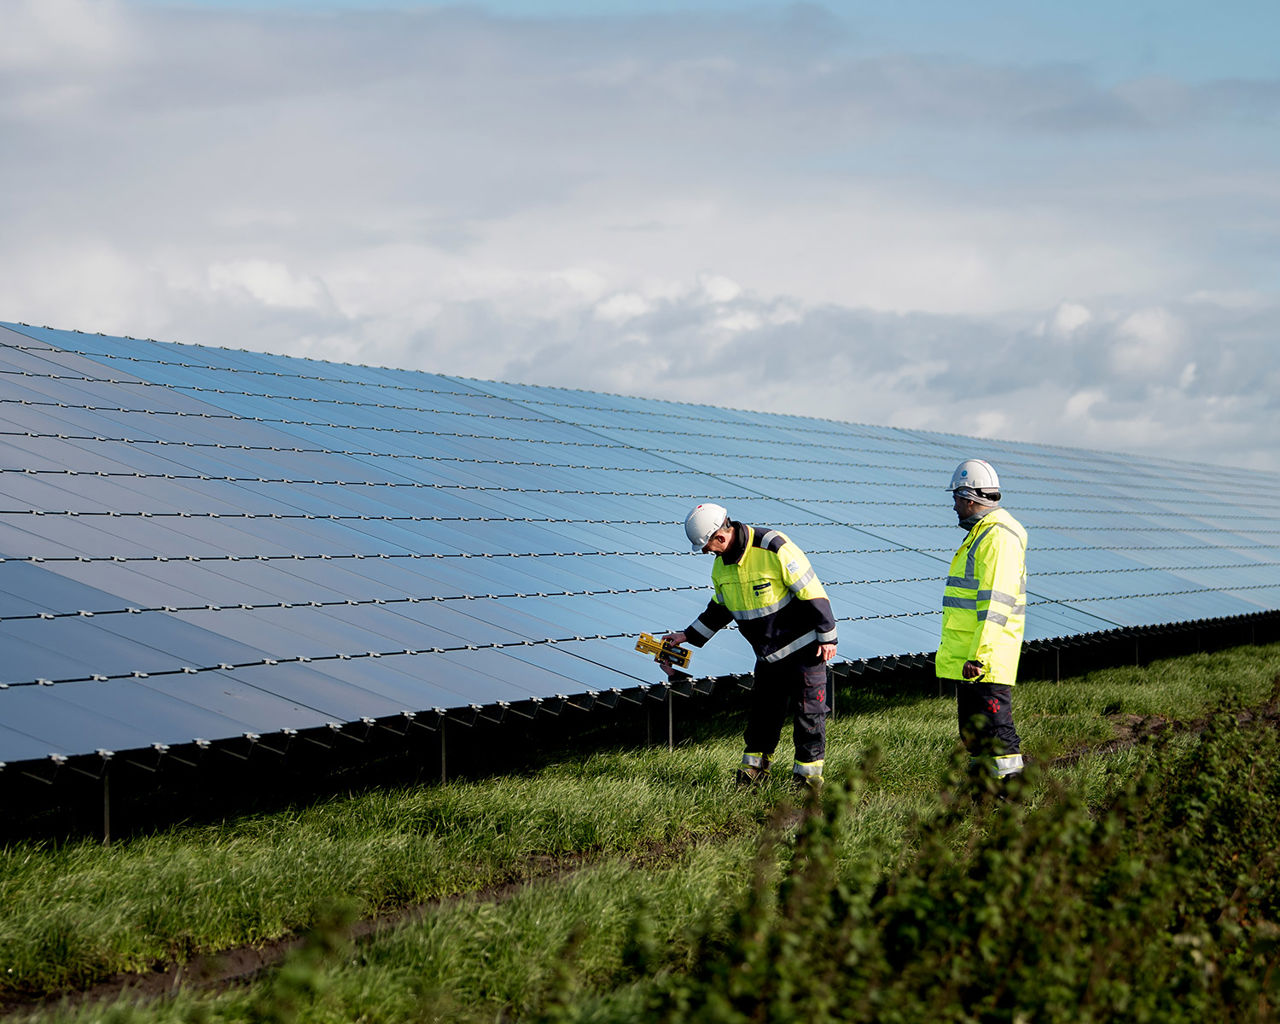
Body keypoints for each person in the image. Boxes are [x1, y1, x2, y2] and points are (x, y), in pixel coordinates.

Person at [663, 502, 838, 789]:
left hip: (806, 650)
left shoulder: (773, 547)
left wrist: (827, 635)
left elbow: (811, 590)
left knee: (809, 717)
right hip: (769, 657)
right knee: (763, 716)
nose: (706, 553)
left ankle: (807, 785)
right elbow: (720, 609)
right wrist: (687, 636)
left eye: (707, 546)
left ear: (720, 537)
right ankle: (752, 776)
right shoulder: (721, 568)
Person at [937, 459, 1028, 779]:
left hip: (983, 658)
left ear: (970, 497)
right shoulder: (984, 533)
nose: (954, 506)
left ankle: (1011, 802)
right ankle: (983, 796)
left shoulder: (997, 538)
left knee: (998, 734)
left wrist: (980, 655)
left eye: (956, 499)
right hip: (972, 656)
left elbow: (995, 603)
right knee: (975, 735)